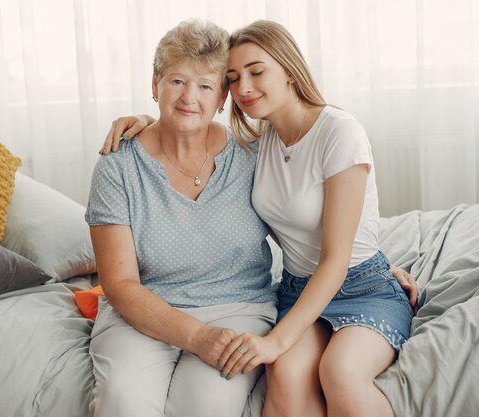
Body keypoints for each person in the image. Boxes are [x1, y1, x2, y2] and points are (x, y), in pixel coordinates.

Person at [99, 20, 419, 417]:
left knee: (339, 373)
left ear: (288, 70)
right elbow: (182, 125)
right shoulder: (261, 143)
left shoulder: (325, 135)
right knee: (284, 375)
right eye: (234, 78)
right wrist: (146, 122)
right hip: (297, 291)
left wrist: (379, 268)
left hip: (347, 289)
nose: (244, 87)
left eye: (255, 72)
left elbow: (339, 252)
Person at [85, 20, 278, 417]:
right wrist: (196, 336)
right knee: (122, 399)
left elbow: (307, 226)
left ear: (223, 97)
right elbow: (119, 284)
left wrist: (367, 268)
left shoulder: (252, 154)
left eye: (205, 86)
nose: (190, 97)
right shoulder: (117, 166)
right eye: (177, 81)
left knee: (207, 404)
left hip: (238, 309)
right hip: (141, 315)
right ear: (155, 84)